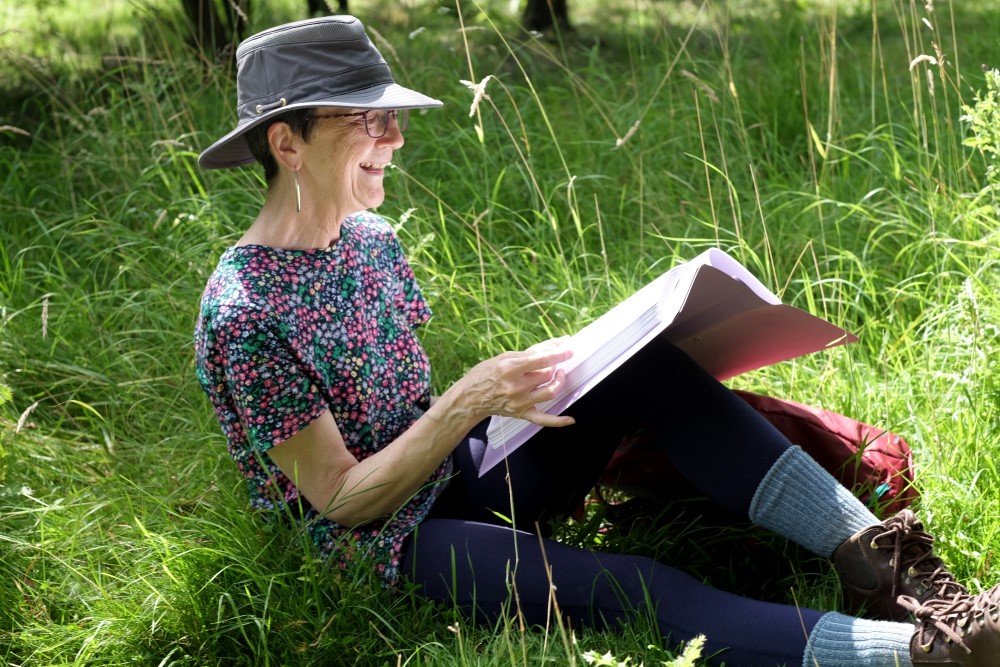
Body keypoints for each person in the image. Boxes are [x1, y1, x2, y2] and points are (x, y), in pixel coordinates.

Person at [193, 15, 1000, 667]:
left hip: (451, 471)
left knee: (640, 363)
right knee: (641, 585)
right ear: (286, 143)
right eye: (370, 119)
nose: (396, 137)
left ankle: (894, 568)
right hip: (378, 544)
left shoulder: (370, 241)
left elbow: (412, 418)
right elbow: (341, 499)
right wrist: (469, 398)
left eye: (394, 116)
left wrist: (573, 370)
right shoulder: (245, 314)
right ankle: (931, 654)